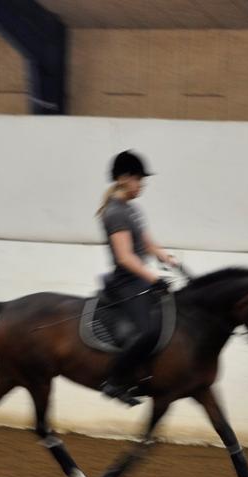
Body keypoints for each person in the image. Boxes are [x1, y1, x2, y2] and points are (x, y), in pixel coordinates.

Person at [96, 150, 178, 406]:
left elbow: (147, 243)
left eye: (142, 180)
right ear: (122, 178)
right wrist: (153, 278)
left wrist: (167, 258)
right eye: (138, 179)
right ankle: (116, 381)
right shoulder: (115, 213)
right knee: (148, 331)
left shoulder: (132, 209)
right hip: (126, 283)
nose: (141, 184)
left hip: (139, 279)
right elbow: (124, 257)